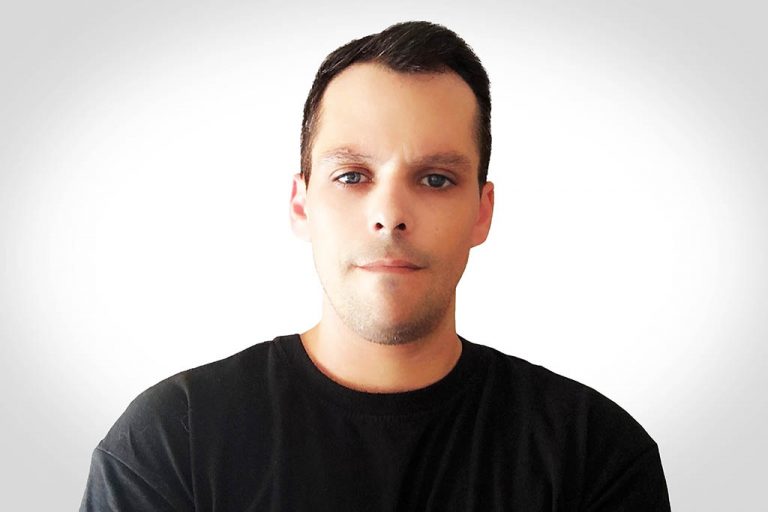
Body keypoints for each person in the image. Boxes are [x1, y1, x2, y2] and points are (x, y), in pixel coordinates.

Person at [81, 21, 671, 511]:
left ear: (481, 213)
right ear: (301, 205)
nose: (390, 215)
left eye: (435, 179)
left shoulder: (595, 455)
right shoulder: (170, 442)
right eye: (352, 176)